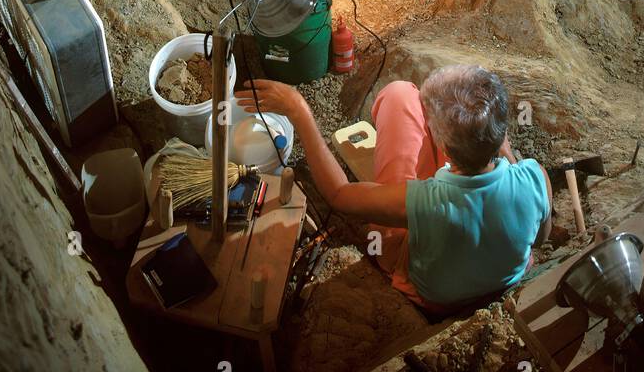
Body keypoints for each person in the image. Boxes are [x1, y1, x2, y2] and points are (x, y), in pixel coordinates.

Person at [235, 65, 553, 312]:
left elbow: (339, 194)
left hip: (431, 295)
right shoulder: (535, 177)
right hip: (502, 278)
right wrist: (501, 149)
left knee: (400, 94)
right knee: (407, 96)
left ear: (441, 144)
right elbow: (540, 237)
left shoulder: (425, 203)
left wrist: (300, 112)